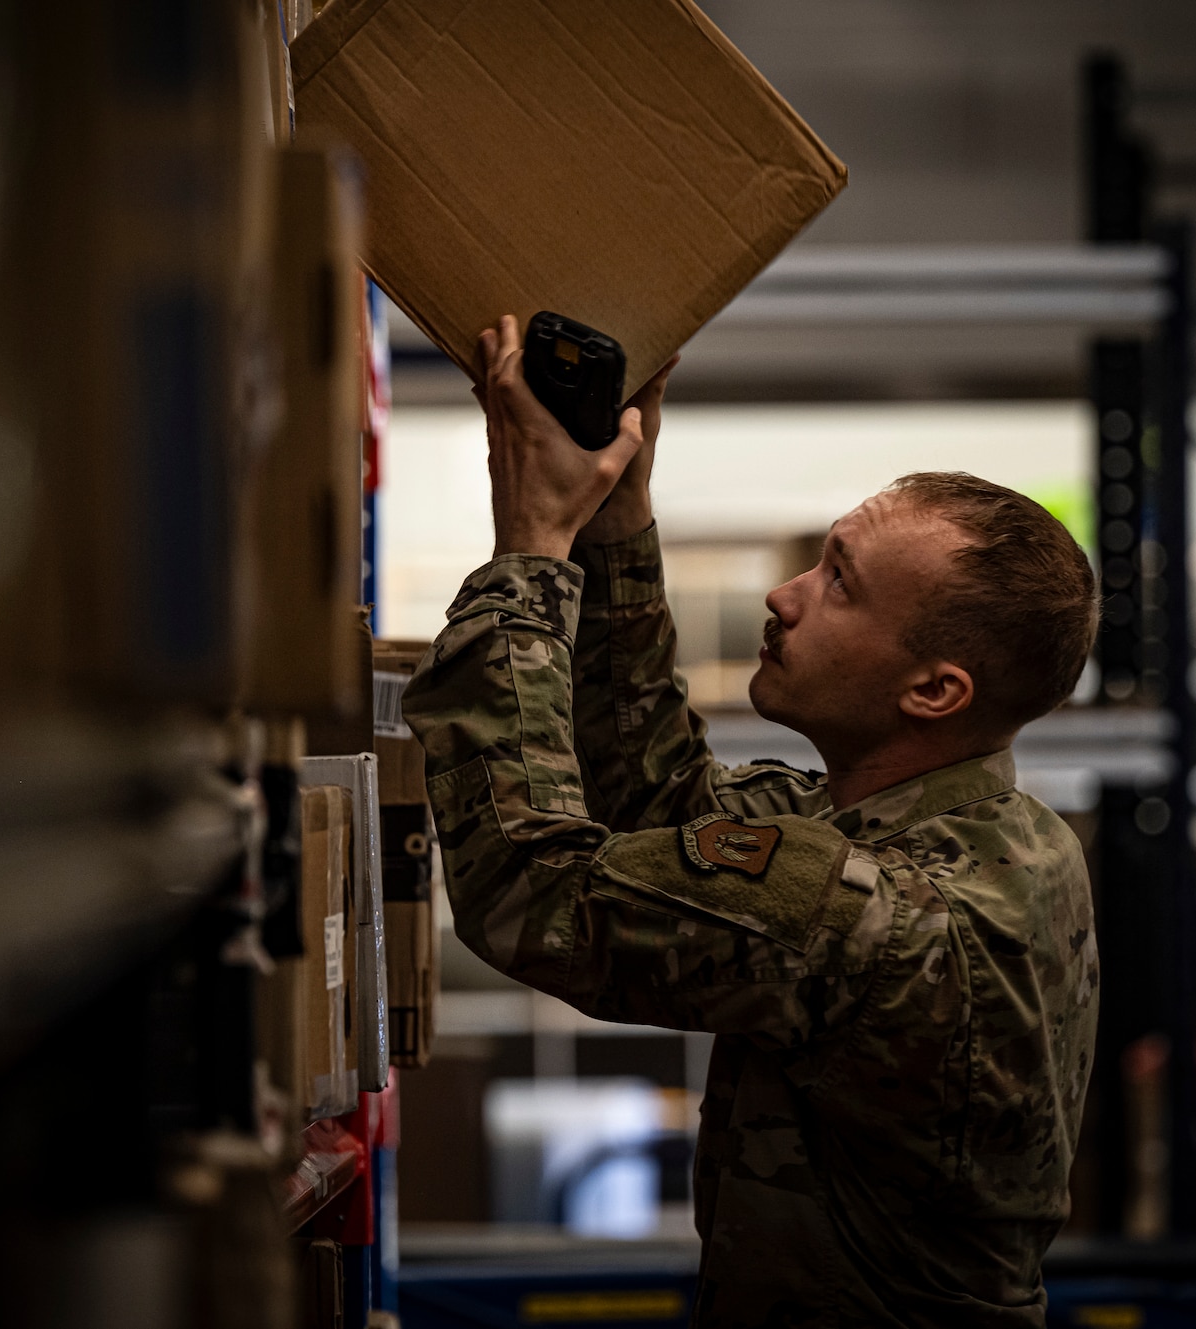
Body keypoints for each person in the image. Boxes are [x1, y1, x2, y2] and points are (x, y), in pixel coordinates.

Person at [402, 315, 1101, 1328]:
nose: (783, 595)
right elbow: (659, 805)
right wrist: (612, 518)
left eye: (837, 585)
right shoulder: (985, 831)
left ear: (933, 691)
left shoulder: (879, 914)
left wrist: (529, 555)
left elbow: (529, 895)